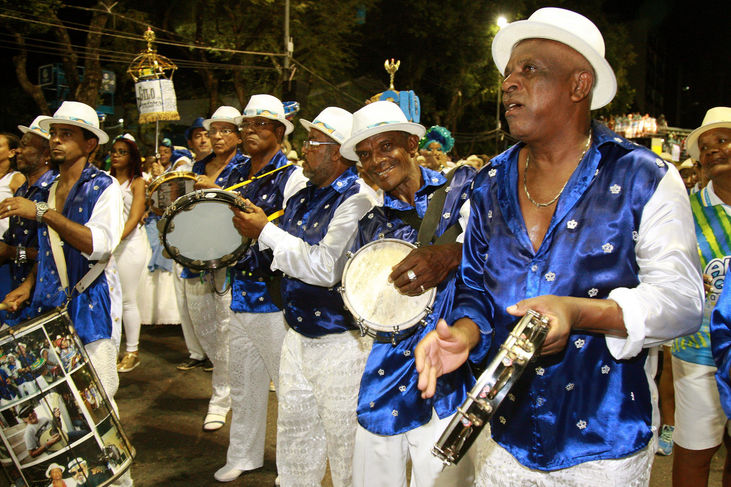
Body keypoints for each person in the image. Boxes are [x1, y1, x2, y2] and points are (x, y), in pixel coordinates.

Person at [414, 8, 703, 486]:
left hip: (603, 449)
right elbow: (475, 289)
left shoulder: (644, 178)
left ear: (578, 84)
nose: (509, 83)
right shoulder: (488, 184)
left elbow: (683, 301)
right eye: (508, 73)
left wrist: (580, 312)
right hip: (504, 438)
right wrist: (463, 334)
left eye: (530, 70)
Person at [232, 107, 376, 486]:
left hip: (341, 342)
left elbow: (327, 267)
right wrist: (256, 229)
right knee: (295, 435)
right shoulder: (303, 195)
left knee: (344, 445)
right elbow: (279, 258)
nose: (304, 150)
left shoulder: (358, 200)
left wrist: (266, 231)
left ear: (340, 152)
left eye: (314, 142)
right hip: (296, 336)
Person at [340, 100, 476, 487]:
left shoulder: (461, 191)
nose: (375, 160)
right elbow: (365, 304)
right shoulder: (370, 225)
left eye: (386, 146)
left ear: (412, 146)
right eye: (365, 155)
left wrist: (451, 254)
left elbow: (501, 252)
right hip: (387, 374)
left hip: (451, 371)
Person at [0, 101, 131, 486]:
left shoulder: (102, 187)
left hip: (91, 310)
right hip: (46, 313)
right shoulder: (48, 186)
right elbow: (49, 257)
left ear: (90, 144)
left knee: (98, 411)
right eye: (54, 134)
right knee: (54, 416)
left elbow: (100, 246)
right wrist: (26, 286)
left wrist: (42, 213)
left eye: (67, 134)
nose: (56, 140)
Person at [213, 94, 307, 483]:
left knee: (289, 389)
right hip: (240, 292)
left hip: (275, 296)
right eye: (246, 126)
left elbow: (295, 237)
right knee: (244, 382)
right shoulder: (235, 172)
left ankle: (294, 467)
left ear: (281, 132)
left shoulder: (293, 176)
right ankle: (244, 455)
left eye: (261, 125)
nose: (250, 132)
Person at [174, 106, 245, 432]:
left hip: (232, 258)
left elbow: (247, 209)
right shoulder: (196, 167)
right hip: (198, 257)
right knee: (204, 327)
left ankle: (221, 397)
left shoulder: (245, 166)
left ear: (238, 135)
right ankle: (231, 378)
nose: (216, 136)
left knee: (226, 328)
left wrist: (214, 190)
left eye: (224, 130)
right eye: (212, 130)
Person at [672, 106, 731, 486]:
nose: (713, 152)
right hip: (700, 351)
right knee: (695, 452)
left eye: (723, 141)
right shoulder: (685, 212)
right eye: (706, 148)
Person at [0, 116, 55, 327]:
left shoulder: (53, 192)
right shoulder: (24, 190)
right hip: (15, 292)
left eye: (25, 146)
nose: (19, 152)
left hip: (41, 300)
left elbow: (57, 254)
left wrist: (11, 252)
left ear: (46, 154)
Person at [175, 116, 213, 372]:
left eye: (207, 134)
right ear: (190, 142)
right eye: (197, 135)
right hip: (189, 248)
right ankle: (198, 351)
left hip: (218, 250)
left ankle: (214, 356)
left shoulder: (237, 167)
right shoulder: (188, 171)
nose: (204, 139)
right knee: (188, 306)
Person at [110, 134, 147, 373]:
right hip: (110, 245)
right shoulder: (106, 180)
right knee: (111, 301)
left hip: (130, 244)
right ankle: (111, 350)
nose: (116, 155)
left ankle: (132, 351)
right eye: (114, 150)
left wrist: (114, 240)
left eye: (122, 151)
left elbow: (135, 217)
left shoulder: (137, 183)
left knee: (127, 300)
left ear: (132, 157)